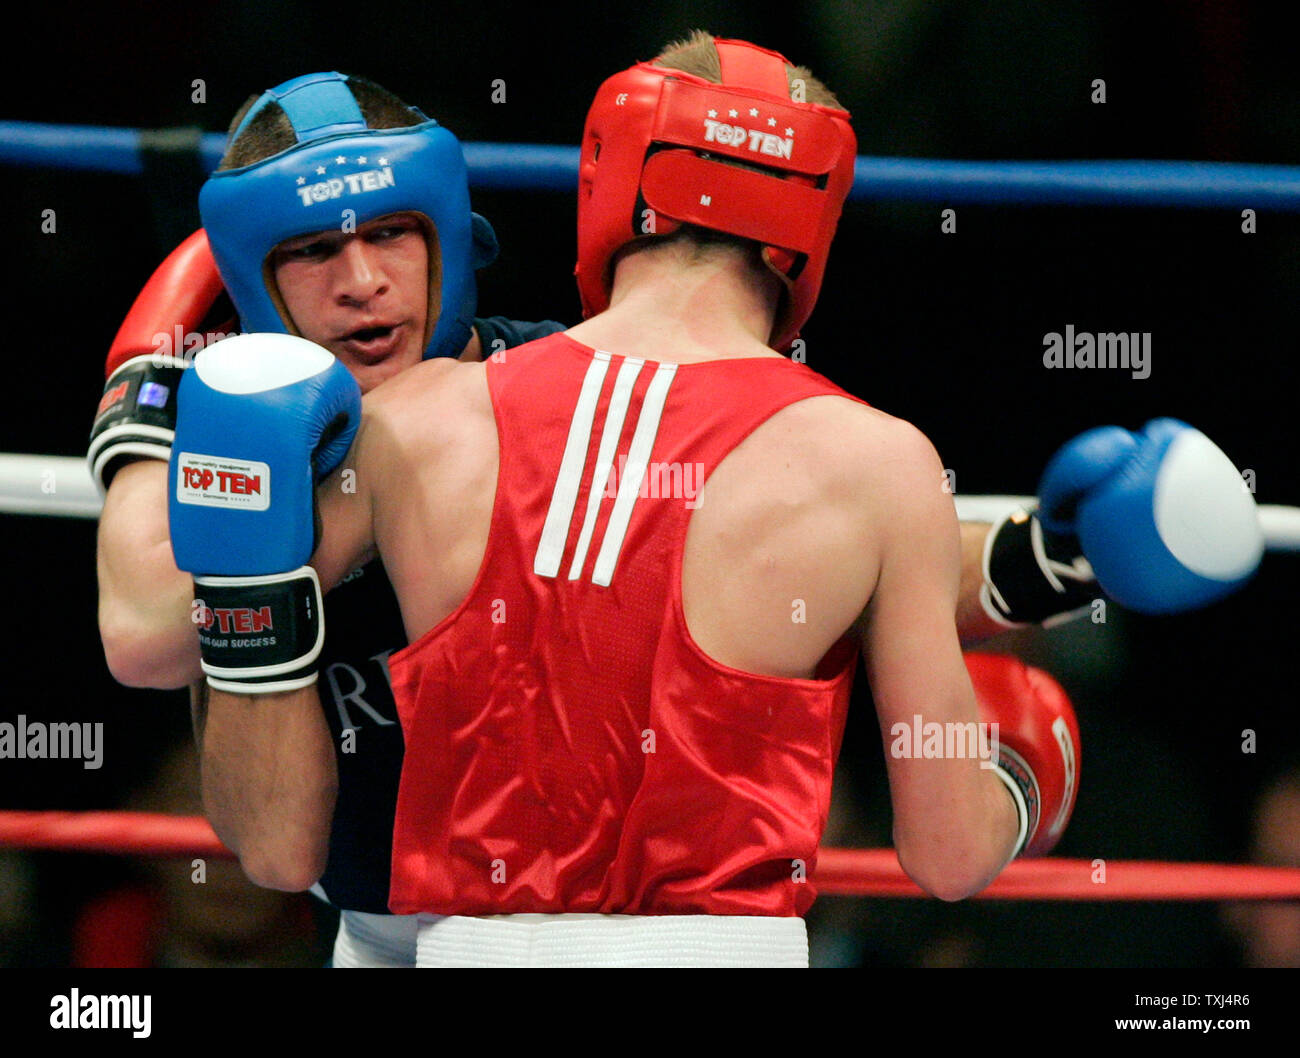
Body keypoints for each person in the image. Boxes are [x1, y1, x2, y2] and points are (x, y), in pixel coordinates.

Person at [166, 34, 1261, 967]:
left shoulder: (422, 424)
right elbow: (947, 853)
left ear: (612, 180)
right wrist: (1022, 772)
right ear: (810, 224)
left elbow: (263, 834)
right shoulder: (876, 464)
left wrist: (184, 478)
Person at [89, 71, 563, 967]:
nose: (362, 283)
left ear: (452, 241)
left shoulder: (557, 386)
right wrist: (150, 410)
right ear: (251, 287)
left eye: (390, 233)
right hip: (365, 929)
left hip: (576, 930)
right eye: (311, 251)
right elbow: (143, 639)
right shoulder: (239, 446)